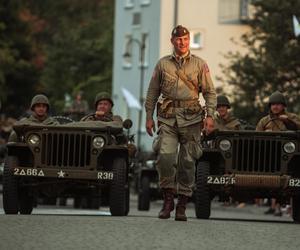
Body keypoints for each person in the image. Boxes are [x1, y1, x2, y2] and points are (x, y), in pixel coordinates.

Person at [145, 25, 216, 221]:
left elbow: (210, 92)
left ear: (189, 40)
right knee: (166, 157)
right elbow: (152, 92)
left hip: (192, 119)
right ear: (172, 41)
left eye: (185, 39)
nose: (181, 42)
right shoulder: (162, 65)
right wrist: (149, 117)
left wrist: (210, 116)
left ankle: (182, 204)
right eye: (178, 39)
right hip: (167, 118)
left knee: (187, 162)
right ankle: (168, 199)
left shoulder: (200, 64)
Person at [256, 91, 300, 216]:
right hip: (266, 157)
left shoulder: (292, 117)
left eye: (278, 104)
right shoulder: (264, 121)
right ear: (270, 106)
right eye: (273, 104)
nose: (275, 107)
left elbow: (298, 129)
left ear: (283, 106)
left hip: (288, 159)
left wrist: (288, 122)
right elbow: (256, 136)